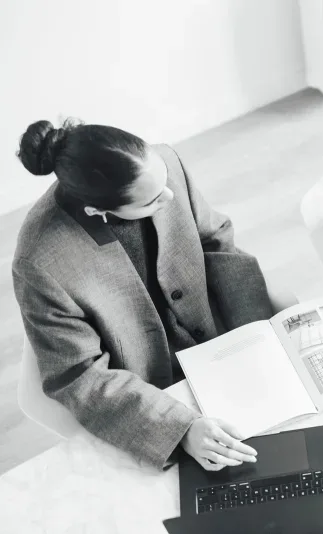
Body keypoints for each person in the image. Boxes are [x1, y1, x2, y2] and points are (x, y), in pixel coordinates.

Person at [13, 119, 272, 471]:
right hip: (149, 390)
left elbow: (218, 244)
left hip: (220, 351)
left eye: (163, 180)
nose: (169, 195)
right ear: (97, 212)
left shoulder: (163, 165)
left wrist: (256, 335)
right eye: (152, 200)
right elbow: (79, 376)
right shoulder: (40, 259)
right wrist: (179, 429)